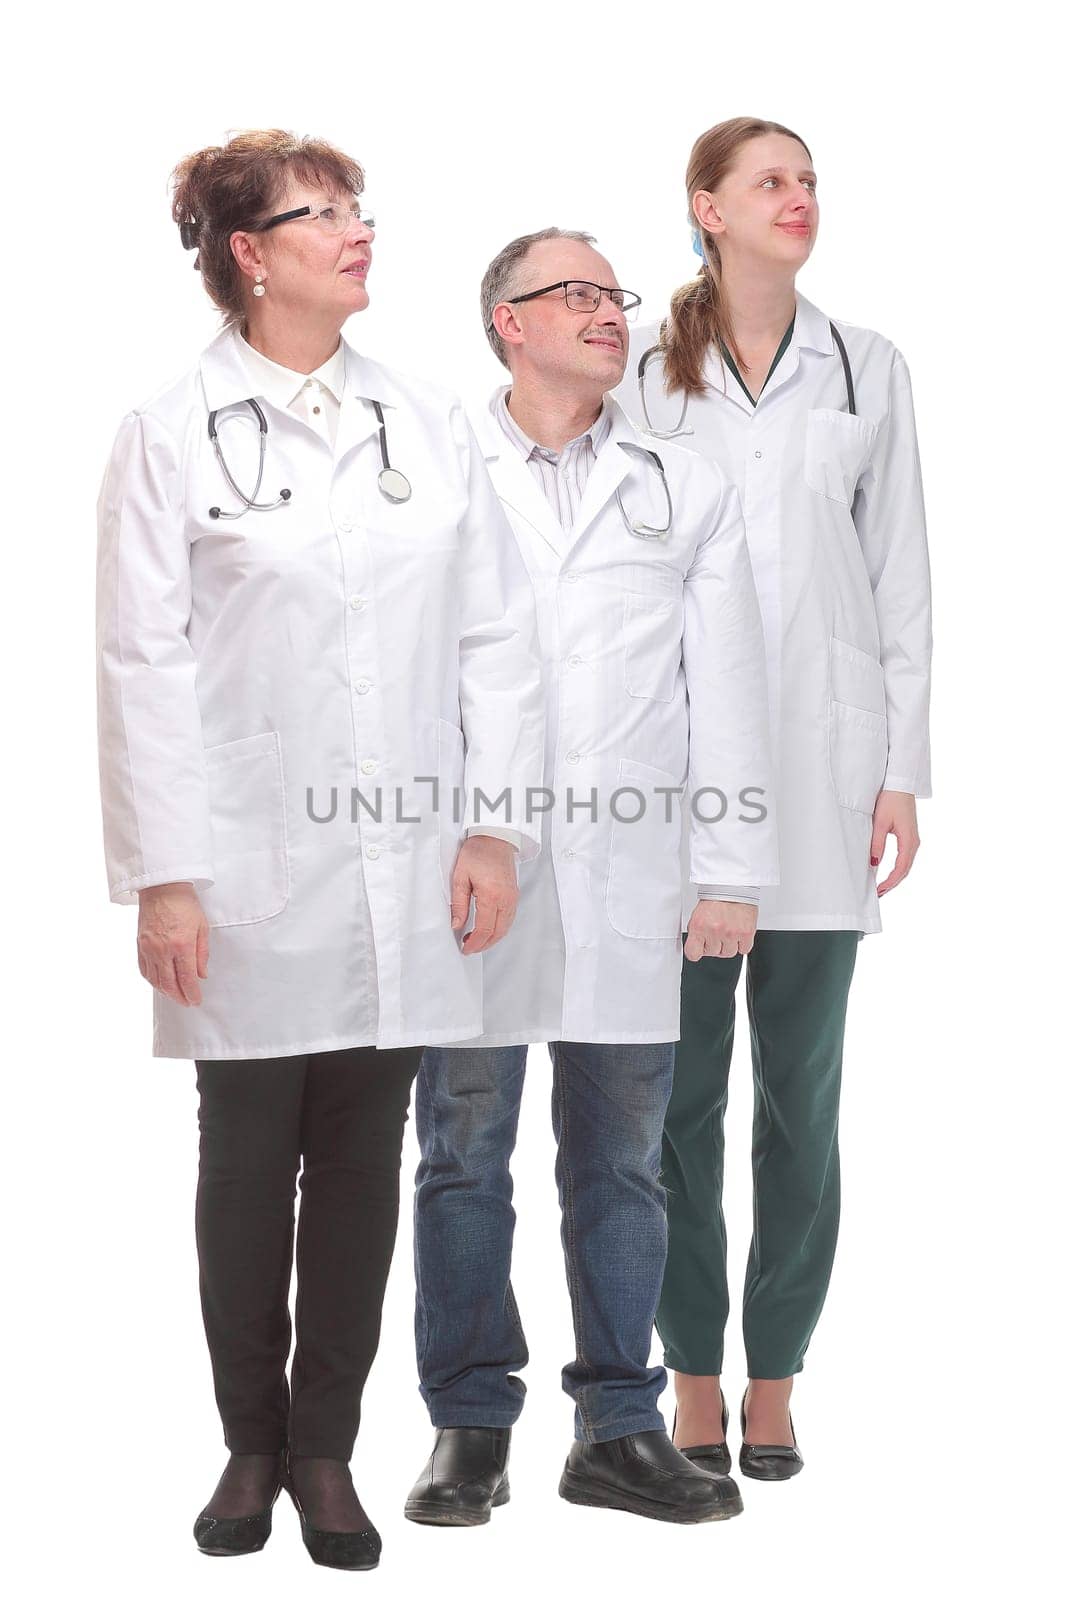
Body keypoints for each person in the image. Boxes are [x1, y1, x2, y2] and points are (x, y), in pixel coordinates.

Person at [95, 129, 543, 1569]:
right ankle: (247, 1445)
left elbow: (495, 637)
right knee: (244, 1162)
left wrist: (491, 830)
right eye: (323, 213)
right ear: (250, 251)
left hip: (404, 862)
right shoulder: (171, 431)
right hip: (241, 865)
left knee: (363, 1160)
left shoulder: (422, 420)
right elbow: (139, 664)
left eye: (358, 209)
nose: (357, 231)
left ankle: (328, 1455)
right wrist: (165, 871)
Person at [405, 228, 777, 1528]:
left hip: (635, 874)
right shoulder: (431, 476)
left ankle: (616, 1428)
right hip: (473, 872)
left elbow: (724, 686)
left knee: (622, 1165)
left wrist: (730, 870)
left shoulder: (682, 483)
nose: (607, 311)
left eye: (612, 293)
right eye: (573, 294)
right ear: (505, 322)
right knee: (461, 1154)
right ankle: (466, 1427)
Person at [612, 116, 932, 1480]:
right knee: (676, 1104)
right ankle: (690, 1367)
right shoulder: (637, 376)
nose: (798, 198)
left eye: (807, 180)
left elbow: (900, 574)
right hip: (678, 801)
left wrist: (900, 767)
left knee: (803, 1102)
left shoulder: (868, 368)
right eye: (770, 181)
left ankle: (777, 1373)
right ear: (706, 208)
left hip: (822, 777)